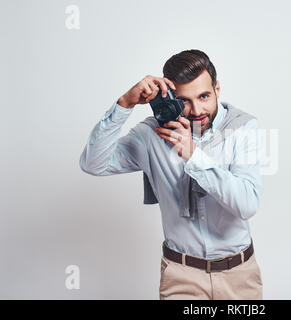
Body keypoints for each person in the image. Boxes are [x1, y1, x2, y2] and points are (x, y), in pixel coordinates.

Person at [79, 49, 263, 299]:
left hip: (239, 276)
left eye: (205, 96)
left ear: (217, 90)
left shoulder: (244, 128)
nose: (197, 109)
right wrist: (125, 104)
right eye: (185, 100)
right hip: (181, 275)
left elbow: (247, 204)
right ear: (171, 97)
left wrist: (193, 155)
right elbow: (93, 163)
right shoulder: (152, 135)